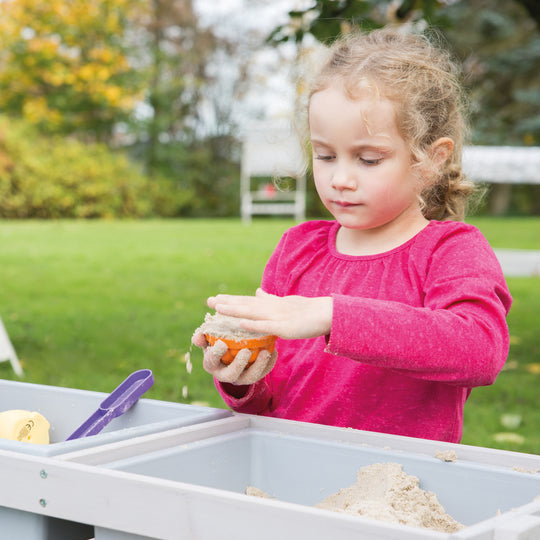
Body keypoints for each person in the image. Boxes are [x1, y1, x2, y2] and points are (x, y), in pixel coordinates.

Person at [192, 27, 512, 443]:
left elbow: (478, 351)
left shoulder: (449, 251)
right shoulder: (297, 249)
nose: (340, 178)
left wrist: (331, 315)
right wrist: (243, 378)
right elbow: (271, 399)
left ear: (430, 160)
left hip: (396, 489)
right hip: (288, 474)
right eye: (325, 156)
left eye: (368, 159)